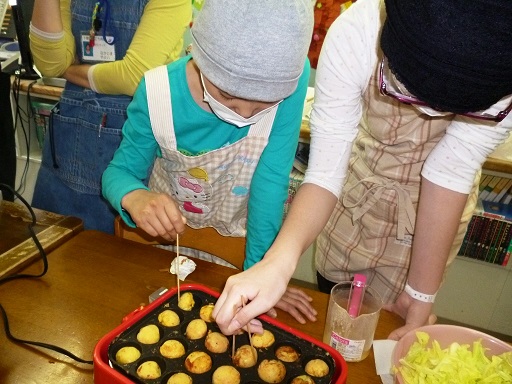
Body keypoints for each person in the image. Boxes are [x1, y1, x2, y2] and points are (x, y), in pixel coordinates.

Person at [212, 0, 512, 339]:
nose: (431, 114)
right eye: (410, 94)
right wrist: (277, 264)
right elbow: (326, 170)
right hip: (359, 195)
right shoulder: (357, 32)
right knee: (336, 309)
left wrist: (420, 294)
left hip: (431, 223)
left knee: (389, 333)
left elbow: (450, 171)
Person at [101, 0, 318, 323]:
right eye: (229, 97)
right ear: (197, 55)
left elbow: (270, 183)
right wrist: (134, 196)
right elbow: (118, 173)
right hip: (165, 254)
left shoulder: (292, 83)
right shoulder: (158, 92)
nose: (244, 116)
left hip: (240, 252)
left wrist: (263, 273)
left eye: (262, 107)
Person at [29, 0, 192, 233]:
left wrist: (69, 70)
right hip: (68, 139)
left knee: (117, 258)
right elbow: (49, 64)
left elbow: (135, 76)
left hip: (134, 136)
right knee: (50, 249)